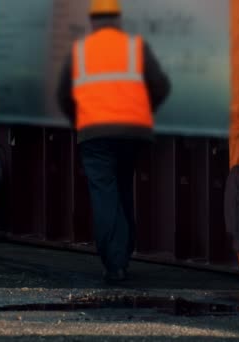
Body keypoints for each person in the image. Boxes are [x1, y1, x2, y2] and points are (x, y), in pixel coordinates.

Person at [57, 0, 170, 282]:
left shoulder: (80, 52)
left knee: (104, 194)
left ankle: (114, 262)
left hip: (95, 135)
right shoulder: (135, 47)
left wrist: (79, 122)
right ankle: (125, 251)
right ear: (118, 21)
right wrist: (143, 113)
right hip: (133, 133)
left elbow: (63, 96)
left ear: (92, 22)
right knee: (123, 189)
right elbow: (160, 86)